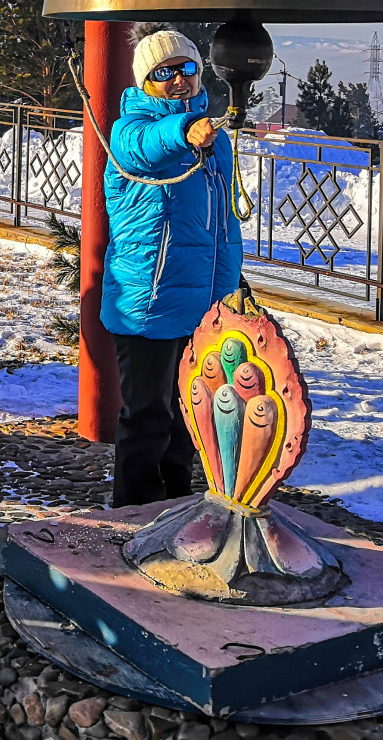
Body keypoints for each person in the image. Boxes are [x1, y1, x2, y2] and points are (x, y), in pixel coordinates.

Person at [101, 29, 243, 509]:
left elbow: (222, 224)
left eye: (188, 69)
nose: (179, 80)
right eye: (165, 73)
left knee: (190, 413)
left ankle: (178, 506)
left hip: (203, 303)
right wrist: (183, 132)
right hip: (150, 298)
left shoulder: (212, 137)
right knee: (145, 415)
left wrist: (229, 287)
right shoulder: (128, 131)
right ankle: (134, 511)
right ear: (145, 82)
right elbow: (147, 147)